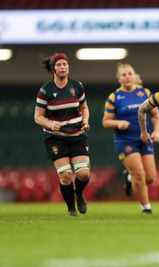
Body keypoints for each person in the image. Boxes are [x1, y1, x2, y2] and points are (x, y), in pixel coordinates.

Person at [34, 53, 91, 217]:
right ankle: (71, 209)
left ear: (68, 67)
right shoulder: (45, 90)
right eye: (59, 65)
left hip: (77, 135)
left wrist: (85, 120)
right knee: (66, 176)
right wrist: (50, 124)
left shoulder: (76, 85)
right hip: (56, 138)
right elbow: (37, 117)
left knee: (83, 174)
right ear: (53, 69)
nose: (62, 67)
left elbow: (84, 107)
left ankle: (79, 195)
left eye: (64, 64)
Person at [102, 63, 159, 215]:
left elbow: (155, 115)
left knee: (150, 178)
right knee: (139, 175)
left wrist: (156, 131)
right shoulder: (114, 97)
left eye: (130, 74)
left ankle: (128, 177)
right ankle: (146, 208)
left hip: (145, 139)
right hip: (125, 141)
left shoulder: (145, 92)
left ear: (134, 76)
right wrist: (118, 123)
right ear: (118, 79)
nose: (127, 77)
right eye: (124, 75)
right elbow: (106, 122)